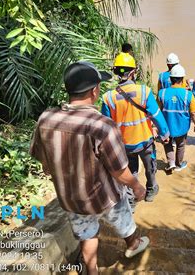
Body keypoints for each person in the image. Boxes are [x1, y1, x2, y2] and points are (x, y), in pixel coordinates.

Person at [30, 61, 149, 275]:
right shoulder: (102, 126)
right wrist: (137, 186)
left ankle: (91, 271)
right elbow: (118, 170)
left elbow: (45, 162)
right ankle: (132, 245)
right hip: (104, 197)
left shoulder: (46, 119)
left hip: (71, 199)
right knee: (122, 219)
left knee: (87, 234)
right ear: (94, 91)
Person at [102, 53, 170, 203]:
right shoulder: (144, 92)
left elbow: (106, 127)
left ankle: (132, 199)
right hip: (145, 142)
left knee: (131, 171)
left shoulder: (108, 98)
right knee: (150, 167)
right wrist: (165, 134)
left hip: (124, 145)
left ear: (115, 72)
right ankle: (151, 191)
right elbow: (156, 115)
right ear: (133, 72)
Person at [158, 64, 195, 173]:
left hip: (166, 125)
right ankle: (178, 164)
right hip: (182, 126)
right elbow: (194, 113)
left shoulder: (162, 93)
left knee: (167, 143)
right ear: (182, 79)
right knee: (180, 145)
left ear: (170, 78)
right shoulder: (188, 95)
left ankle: (171, 163)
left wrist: (155, 125)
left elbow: (158, 110)